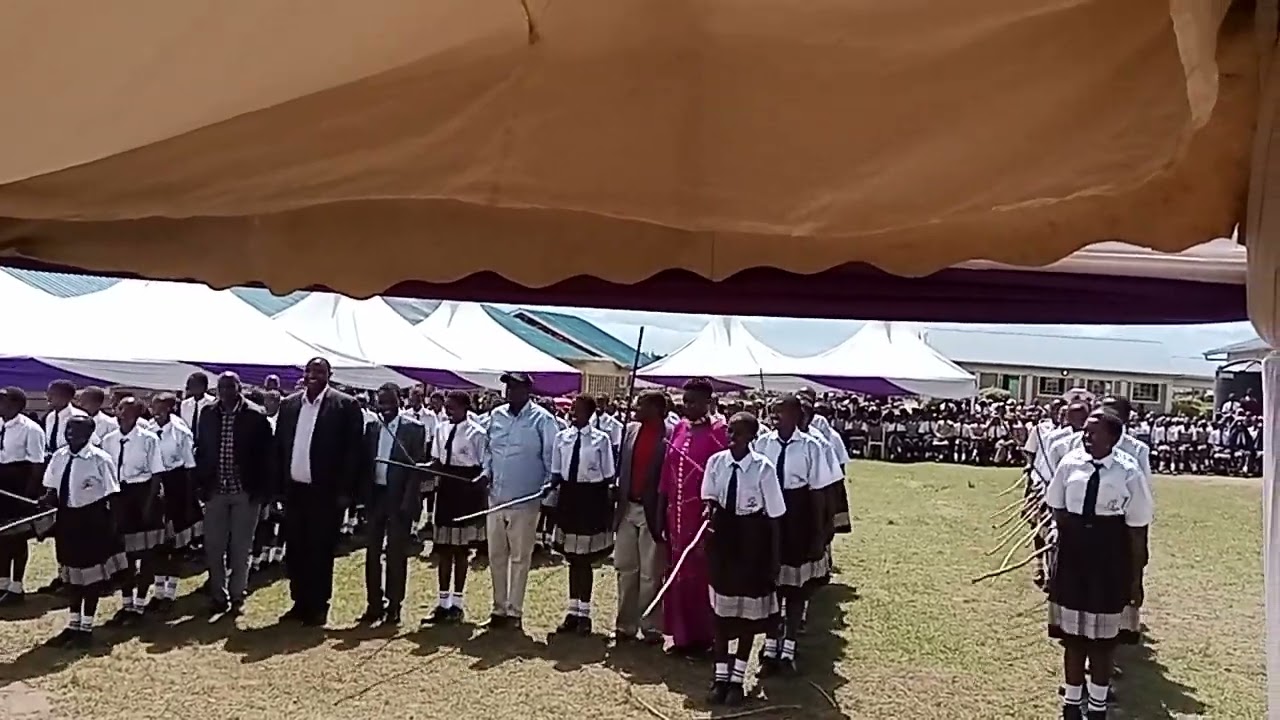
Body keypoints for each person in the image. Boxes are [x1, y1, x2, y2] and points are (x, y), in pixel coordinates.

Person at [1046, 410, 1152, 720]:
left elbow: (1137, 527)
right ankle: (1071, 702)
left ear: (1113, 438)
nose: (1086, 437)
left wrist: (1136, 579)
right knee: (1072, 637)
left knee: (1103, 641)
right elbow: (1058, 505)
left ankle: (1097, 705)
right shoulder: (1070, 463)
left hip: (1110, 557)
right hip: (1074, 555)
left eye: (1094, 432)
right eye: (1085, 431)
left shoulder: (1128, 471)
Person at [274, 358, 364, 626]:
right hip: (294, 490)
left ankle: (318, 604)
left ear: (329, 375)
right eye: (309, 371)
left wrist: (346, 492)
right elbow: (280, 447)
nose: (312, 375)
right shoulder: (289, 405)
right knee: (296, 549)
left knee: (320, 549)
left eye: (319, 371)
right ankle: (299, 601)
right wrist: (278, 489)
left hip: (326, 493)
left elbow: (353, 452)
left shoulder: (345, 405)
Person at [753, 394, 840, 674]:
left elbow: (820, 493)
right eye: (773, 412)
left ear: (796, 415)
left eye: (781, 412)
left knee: (796, 587)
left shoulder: (811, 446)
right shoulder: (763, 443)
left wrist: (819, 533)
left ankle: (789, 646)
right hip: (768, 519)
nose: (775, 417)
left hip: (798, 518)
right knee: (771, 585)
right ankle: (770, 644)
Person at [702, 412, 784, 705]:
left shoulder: (763, 468)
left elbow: (775, 518)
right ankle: (720, 676)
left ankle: (738, 679)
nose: (731, 437)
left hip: (753, 544)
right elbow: (709, 497)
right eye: (730, 432)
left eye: (738, 433)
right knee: (722, 615)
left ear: (752, 436)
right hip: (724, 541)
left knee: (747, 617)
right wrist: (709, 510)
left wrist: (774, 560)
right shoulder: (717, 463)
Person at [38, 415, 129, 647]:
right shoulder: (59, 456)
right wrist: (46, 500)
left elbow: (113, 495)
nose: (70, 435)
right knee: (71, 577)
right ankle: (73, 624)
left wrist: (114, 531)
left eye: (76, 431)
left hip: (93, 521)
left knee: (90, 578)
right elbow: (52, 490)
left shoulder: (100, 459)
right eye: (68, 430)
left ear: (89, 434)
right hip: (67, 521)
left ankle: (86, 628)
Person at [659, 377, 729, 656]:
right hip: (675, 517)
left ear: (709, 403)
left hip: (704, 519)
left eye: (693, 401)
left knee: (702, 577)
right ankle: (682, 638)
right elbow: (667, 473)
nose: (687, 406)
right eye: (684, 401)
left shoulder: (720, 432)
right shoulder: (678, 428)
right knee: (677, 576)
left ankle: (706, 639)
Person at [483, 372, 557, 630]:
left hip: (525, 500)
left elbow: (551, 457)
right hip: (495, 499)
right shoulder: (496, 415)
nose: (509, 392)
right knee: (496, 555)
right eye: (507, 387)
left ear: (527, 389)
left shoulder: (543, 420)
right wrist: (485, 471)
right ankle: (498, 608)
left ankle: (514, 611)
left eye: (515, 387)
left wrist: (549, 485)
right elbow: (488, 450)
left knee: (520, 558)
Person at [196, 372, 274, 616]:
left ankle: (237, 593)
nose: (226, 391)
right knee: (214, 546)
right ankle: (218, 595)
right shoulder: (208, 414)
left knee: (241, 547)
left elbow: (267, 457)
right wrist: (201, 484)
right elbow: (202, 449)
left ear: (240, 387)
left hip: (245, 491)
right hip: (216, 489)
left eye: (231, 386)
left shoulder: (255, 415)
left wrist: (263, 493)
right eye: (222, 387)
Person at [360, 383, 427, 626]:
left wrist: (407, 503)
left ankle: (394, 605)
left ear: (399, 401)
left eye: (390, 402)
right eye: (381, 403)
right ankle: (373, 604)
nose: (385, 407)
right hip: (376, 496)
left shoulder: (414, 429)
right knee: (372, 553)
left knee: (396, 554)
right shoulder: (372, 427)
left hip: (399, 498)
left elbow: (416, 469)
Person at [550, 395, 617, 636]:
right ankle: (572, 610)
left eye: (578, 409)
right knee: (572, 558)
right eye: (572, 409)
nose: (573, 413)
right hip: (569, 497)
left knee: (584, 560)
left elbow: (608, 473)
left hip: (591, 498)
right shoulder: (562, 438)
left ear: (590, 413)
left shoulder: (601, 440)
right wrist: (550, 487)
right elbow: (556, 471)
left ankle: (585, 613)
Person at [421, 390, 488, 626]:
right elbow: (437, 460)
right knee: (443, 549)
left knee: (460, 551)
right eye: (446, 406)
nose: (447, 410)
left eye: (452, 407)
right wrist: (424, 467)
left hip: (466, 491)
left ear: (464, 407)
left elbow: (483, 466)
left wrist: (480, 481)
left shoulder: (478, 433)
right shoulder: (441, 429)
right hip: (446, 489)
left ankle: (458, 604)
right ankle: (443, 602)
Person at [100, 397, 166, 622]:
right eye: (120, 410)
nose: (123, 415)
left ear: (138, 414)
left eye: (129, 411)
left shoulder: (149, 439)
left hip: (142, 494)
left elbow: (157, 473)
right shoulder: (109, 440)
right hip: (120, 496)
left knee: (146, 552)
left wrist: (149, 505)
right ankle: (126, 602)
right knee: (123, 553)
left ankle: (140, 603)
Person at [613, 390, 669, 644]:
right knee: (626, 568)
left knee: (650, 573)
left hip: (651, 511)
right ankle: (625, 625)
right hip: (627, 508)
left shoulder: (669, 435)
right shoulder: (630, 431)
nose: (635, 408)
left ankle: (651, 626)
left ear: (656, 409)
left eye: (641, 405)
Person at [148, 392, 200, 610]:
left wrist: (188, 501)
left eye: (161, 408)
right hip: (153, 486)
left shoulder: (180, 433)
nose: (156, 412)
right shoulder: (147, 430)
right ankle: (158, 591)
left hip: (176, 485)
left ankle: (170, 592)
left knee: (176, 544)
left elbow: (189, 468)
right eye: (153, 408)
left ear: (170, 409)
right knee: (157, 543)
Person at [0, 387, 47, 605]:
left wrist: (27, 498)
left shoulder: (31, 429)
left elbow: (37, 464)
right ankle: (2, 583)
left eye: (3, 401)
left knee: (16, 540)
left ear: (17, 405)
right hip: (1, 485)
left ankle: (17, 587)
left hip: (19, 486)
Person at [180, 372, 217, 447]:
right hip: (188, 442)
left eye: (196, 385)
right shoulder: (185, 404)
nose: (193, 388)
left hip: (207, 443)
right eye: (191, 385)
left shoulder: (213, 402)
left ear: (205, 386)